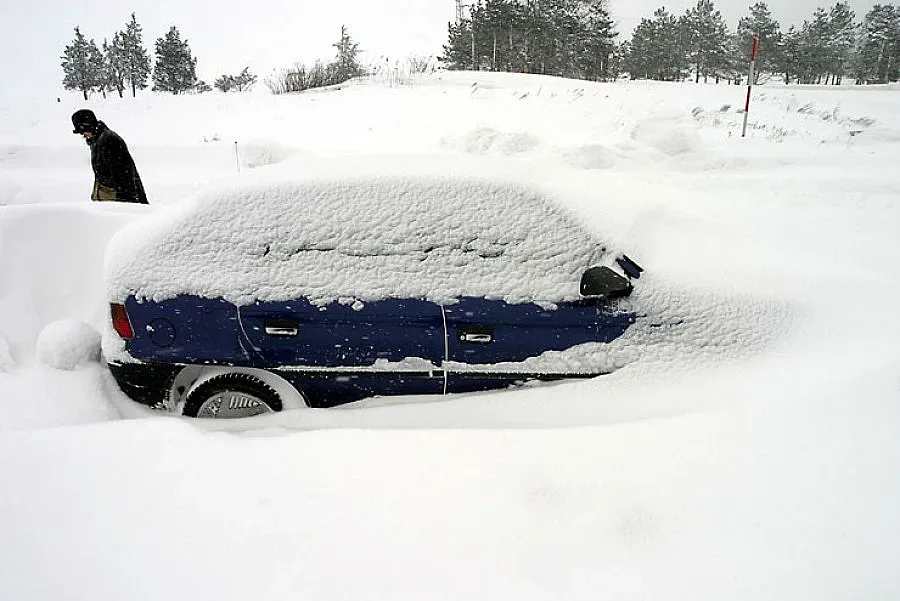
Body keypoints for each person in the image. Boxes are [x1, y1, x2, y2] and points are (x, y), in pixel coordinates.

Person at [71, 109, 148, 204]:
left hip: (117, 198)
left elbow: (124, 175)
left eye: (82, 131)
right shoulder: (96, 141)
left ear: (89, 126)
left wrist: (128, 202)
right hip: (107, 196)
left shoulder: (109, 140)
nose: (82, 135)